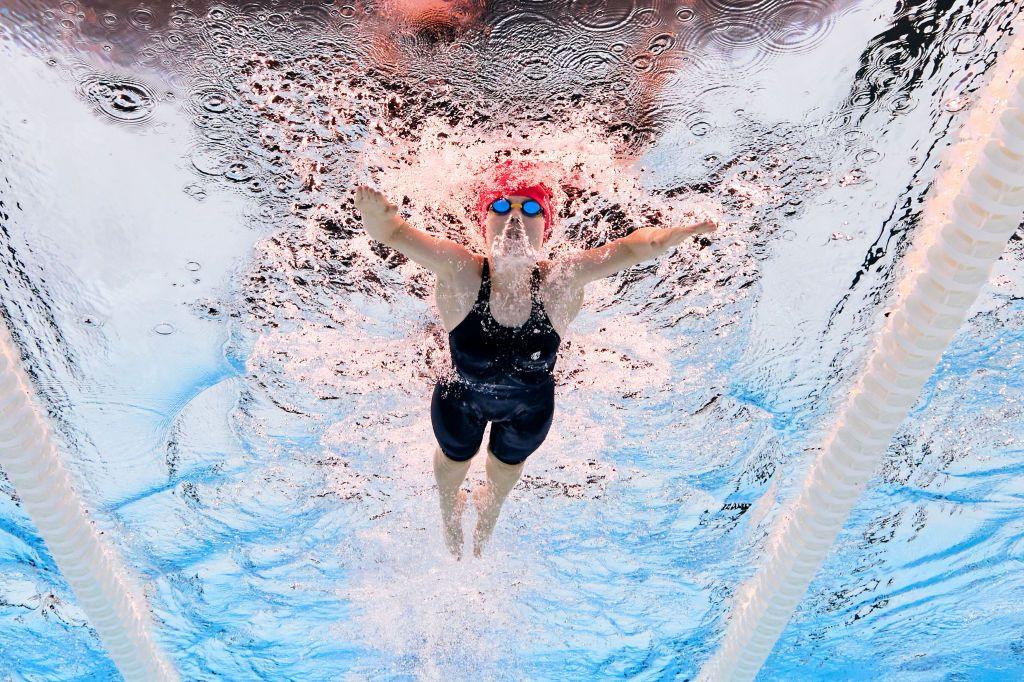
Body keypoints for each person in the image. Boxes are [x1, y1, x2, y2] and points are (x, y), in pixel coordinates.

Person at [353, 161, 717, 558]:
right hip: (460, 399)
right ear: (484, 222)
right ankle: (448, 513)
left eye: (530, 210)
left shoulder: (562, 279)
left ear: (546, 227)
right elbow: (393, 234)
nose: (513, 218)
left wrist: (667, 238)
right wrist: (378, 218)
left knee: (503, 476)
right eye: (501, 207)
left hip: (529, 411)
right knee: (454, 463)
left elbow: (630, 248)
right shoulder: (461, 270)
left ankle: (488, 511)